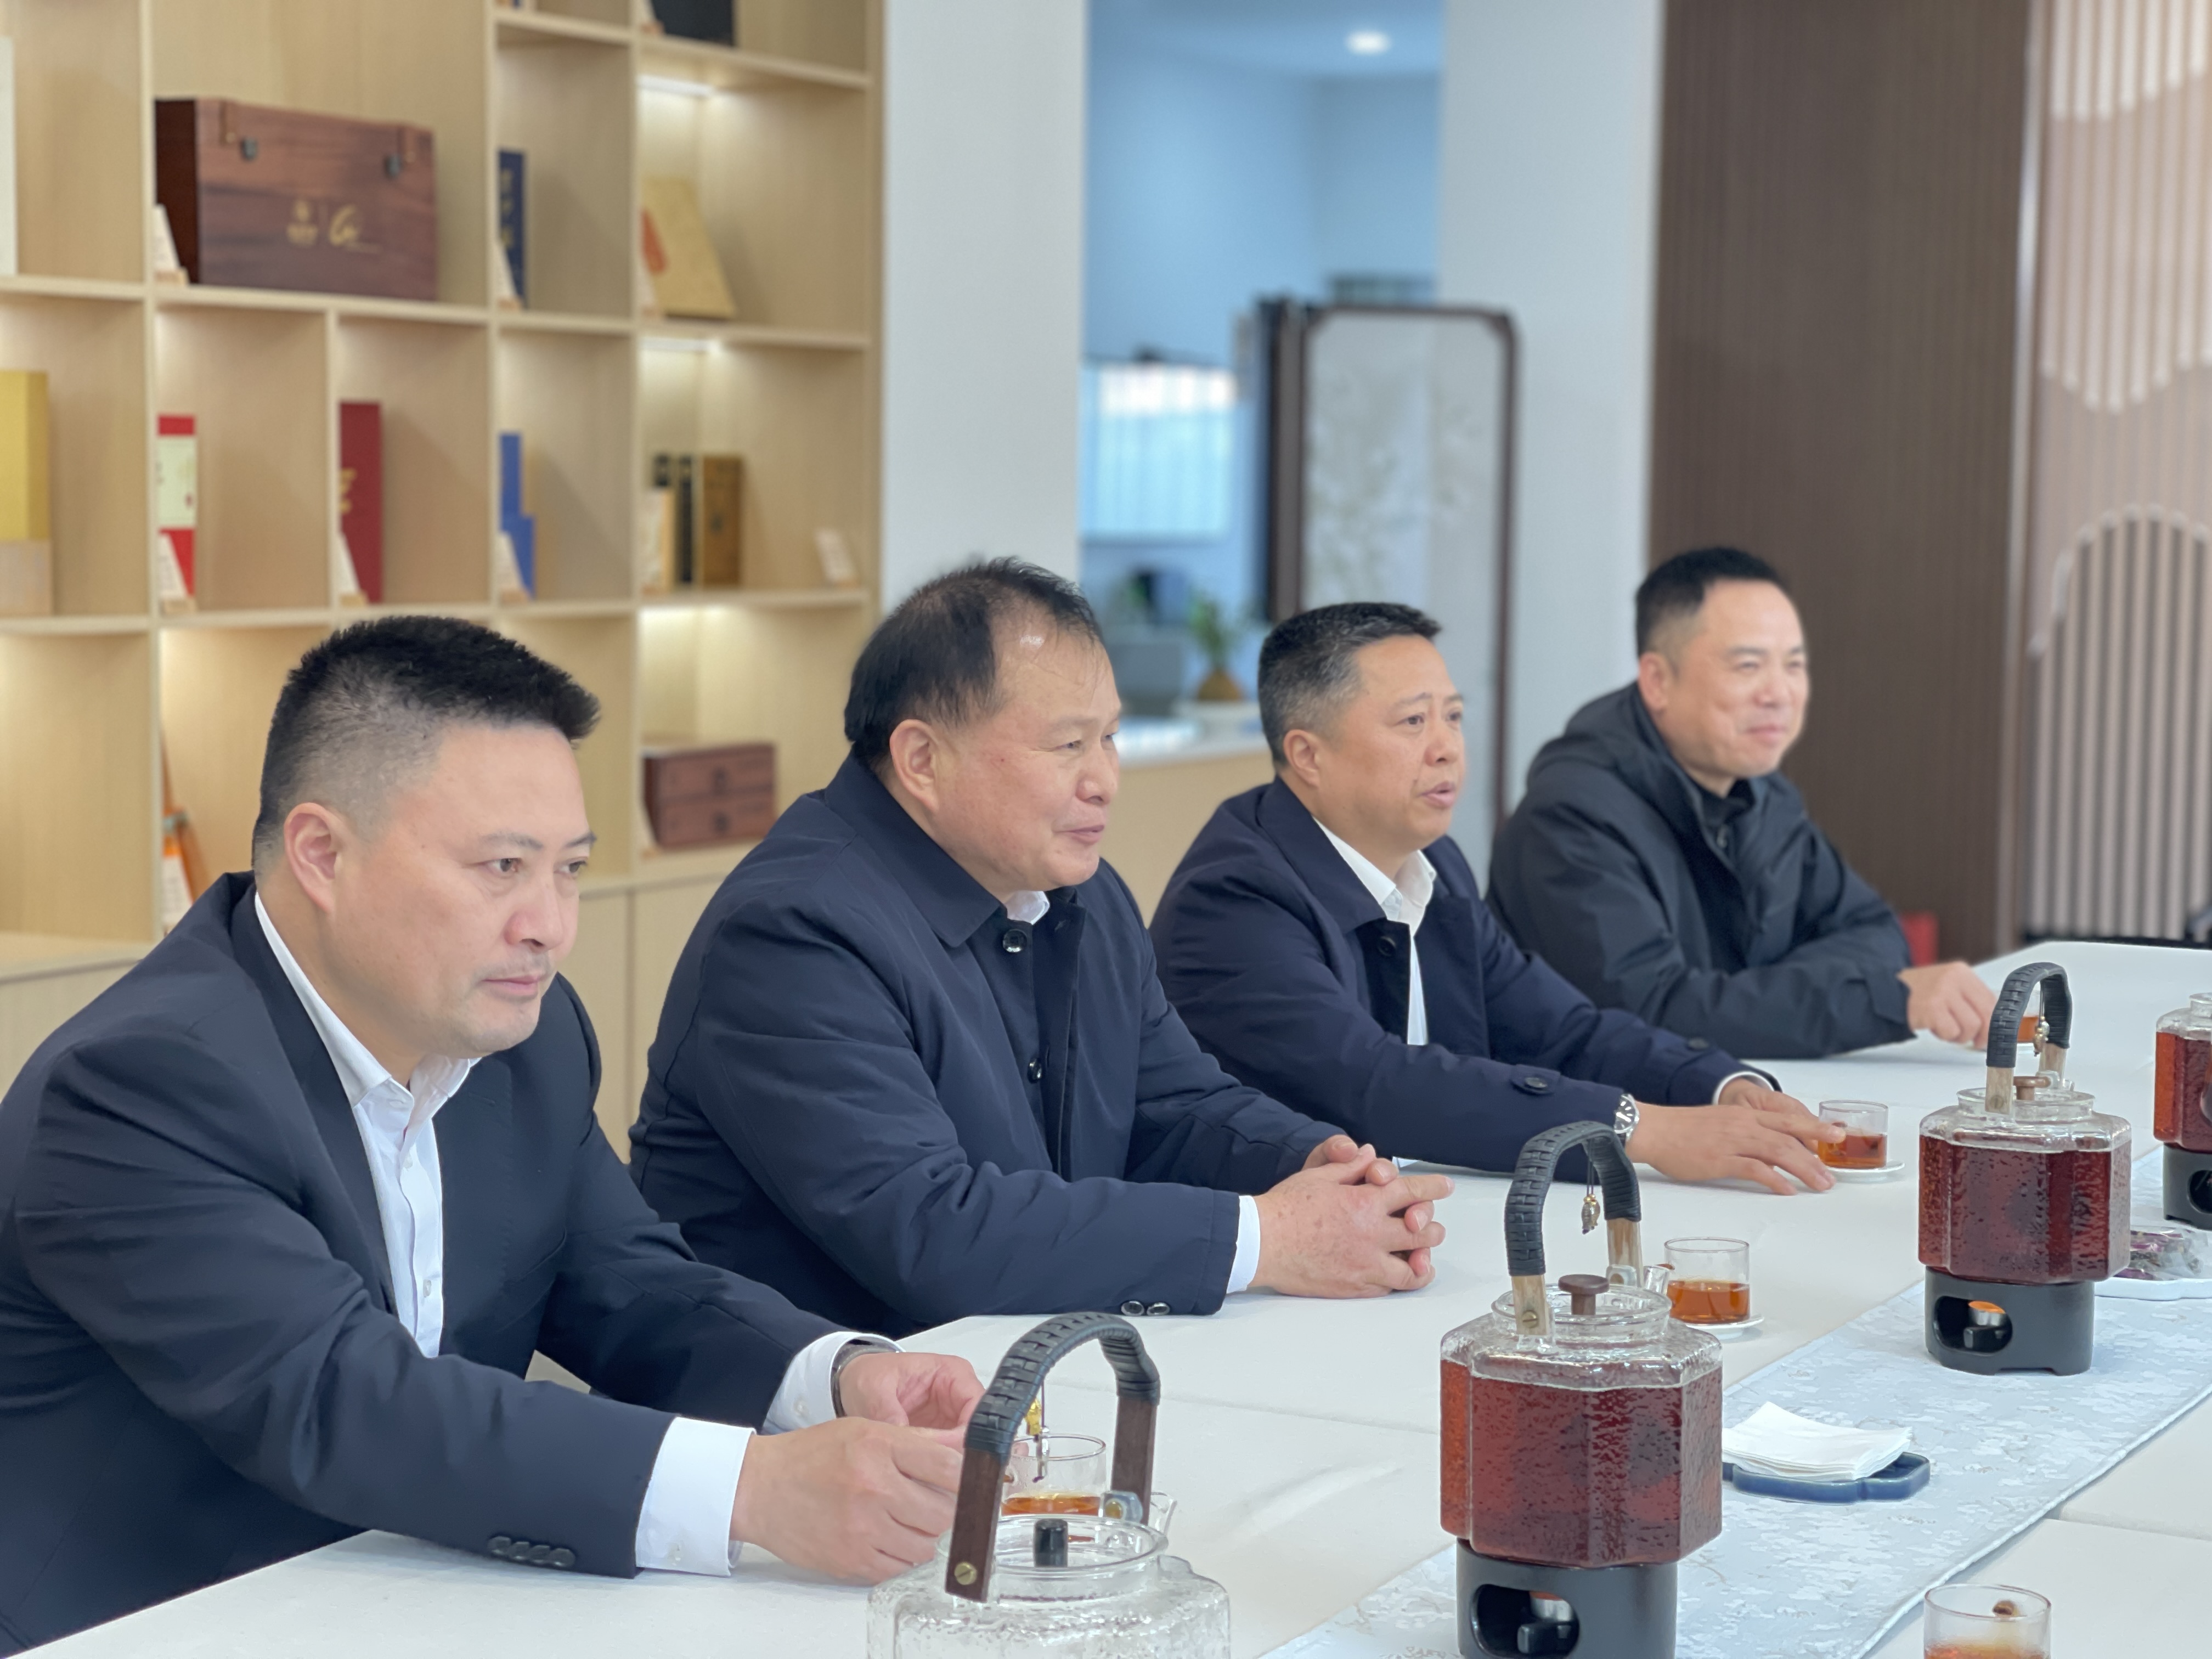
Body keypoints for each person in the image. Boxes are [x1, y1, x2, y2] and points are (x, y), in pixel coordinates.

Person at [0, 619, 982, 1655]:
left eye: (569, 868)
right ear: (322, 854)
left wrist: (834, 1377)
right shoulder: (139, 1085)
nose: (548, 924)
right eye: (502, 865)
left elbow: (632, 1287)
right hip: (163, 1621)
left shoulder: (521, 1032)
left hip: (419, 1589)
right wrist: (754, 1489)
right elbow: (344, 1401)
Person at [630, 560, 1451, 1338]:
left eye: (1111, 738)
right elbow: (934, 1232)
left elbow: (1172, 1108)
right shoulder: (796, 933)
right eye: (1068, 747)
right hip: (812, 1409)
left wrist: (1318, 1165)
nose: (1105, 780)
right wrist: (1267, 1236)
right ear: (922, 760)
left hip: (1024, 1368)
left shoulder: (1079, 891)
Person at [1152, 602, 1839, 1194]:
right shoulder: (1234, 898)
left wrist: (1719, 1084)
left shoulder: (1434, 866)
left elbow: (1560, 1030)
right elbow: (1374, 1083)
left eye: (1453, 716)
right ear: (1308, 755)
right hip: (1276, 1264)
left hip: (1430, 1217)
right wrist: (1643, 1130)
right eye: (1412, 722)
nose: (1447, 748)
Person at [1488, 546, 1996, 1059]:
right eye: (1748, 666)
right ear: (1658, 681)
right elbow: (1651, 1014)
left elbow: (1876, 933)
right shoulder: (1571, 819)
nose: (1779, 693)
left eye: (1794, 665)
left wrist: (1747, 1005)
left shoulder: (1762, 793)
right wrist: (1875, 1000)